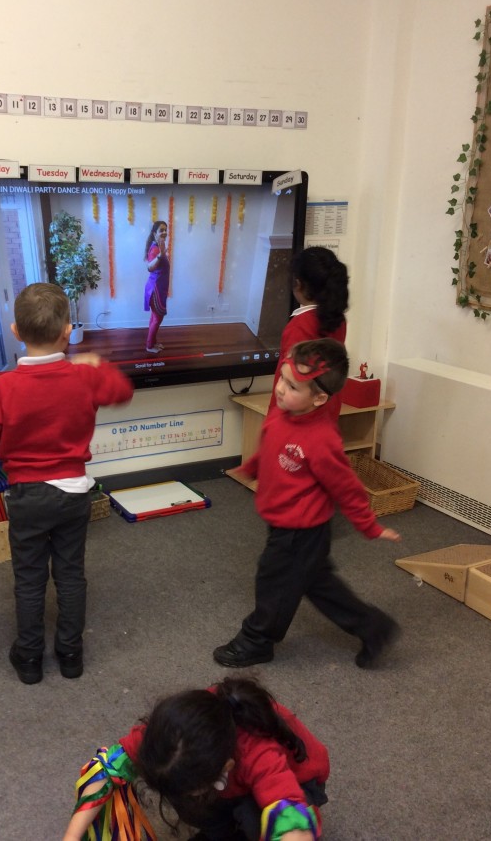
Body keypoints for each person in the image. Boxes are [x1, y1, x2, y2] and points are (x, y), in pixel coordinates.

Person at [0, 282, 133, 684]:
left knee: (29, 579)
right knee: (71, 574)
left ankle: (29, 659)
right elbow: (122, 391)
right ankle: (70, 654)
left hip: (26, 496)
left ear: (16, 331)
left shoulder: (2, 386)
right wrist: (95, 364)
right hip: (73, 494)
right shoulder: (83, 377)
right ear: (67, 331)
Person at [215, 339, 401, 671]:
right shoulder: (281, 414)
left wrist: (369, 526)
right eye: (282, 379)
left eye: (292, 387)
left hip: (301, 530)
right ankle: (374, 627)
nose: (280, 390)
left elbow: (347, 488)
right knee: (316, 583)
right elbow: (271, 445)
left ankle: (257, 641)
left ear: (319, 398)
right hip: (283, 521)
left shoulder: (322, 439)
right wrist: (253, 466)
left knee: (274, 582)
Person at [63, 675, 329, 841]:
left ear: (226, 767)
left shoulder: (258, 754)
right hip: (220, 780)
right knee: (189, 800)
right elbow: (104, 772)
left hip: (299, 782)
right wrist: (72, 837)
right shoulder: (167, 736)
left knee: (251, 816)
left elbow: (292, 822)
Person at [268, 246, 348, 419]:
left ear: (297, 283)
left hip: (297, 416)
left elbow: (292, 380)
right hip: (326, 410)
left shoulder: (300, 325)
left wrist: (275, 421)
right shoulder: (338, 319)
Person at [143, 220, 170, 354]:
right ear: (155, 233)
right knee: (157, 318)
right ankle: (149, 346)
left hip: (159, 288)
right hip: (155, 289)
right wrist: (161, 255)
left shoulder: (158, 247)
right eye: (161, 230)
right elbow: (149, 267)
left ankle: (153, 342)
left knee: (154, 318)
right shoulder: (155, 249)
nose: (164, 232)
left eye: (166, 230)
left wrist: (162, 253)